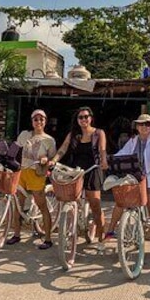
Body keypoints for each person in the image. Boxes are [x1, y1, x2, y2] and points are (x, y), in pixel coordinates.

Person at [106, 114, 150, 257]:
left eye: (147, 124)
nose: (144, 127)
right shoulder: (133, 141)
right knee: (121, 201)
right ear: (137, 127)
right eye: (141, 124)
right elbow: (123, 153)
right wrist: (110, 159)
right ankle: (110, 230)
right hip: (136, 179)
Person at [49, 106, 109, 249]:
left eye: (86, 116)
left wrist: (104, 160)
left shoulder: (98, 133)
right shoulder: (73, 134)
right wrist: (54, 160)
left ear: (91, 118)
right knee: (70, 199)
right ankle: (69, 229)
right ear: (77, 120)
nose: (83, 119)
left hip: (93, 169)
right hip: (75, 171)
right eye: (80, 117)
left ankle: (101, 236)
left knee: (95, 203)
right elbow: (63, 149)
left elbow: (102, 150)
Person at [7, 109, 57, 250]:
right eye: (36, 119)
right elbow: (14, 149)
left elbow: (53, 159)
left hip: (37, 174)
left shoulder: (49, 140)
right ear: (32, 121)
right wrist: (7, 159)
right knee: (18, 204)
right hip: (23, 172)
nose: (38, 122)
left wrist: (46, 160)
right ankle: (16, 234)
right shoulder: (25, 134)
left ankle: (47, 238)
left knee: (42, 206)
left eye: (41, 119)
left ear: (45, 121)